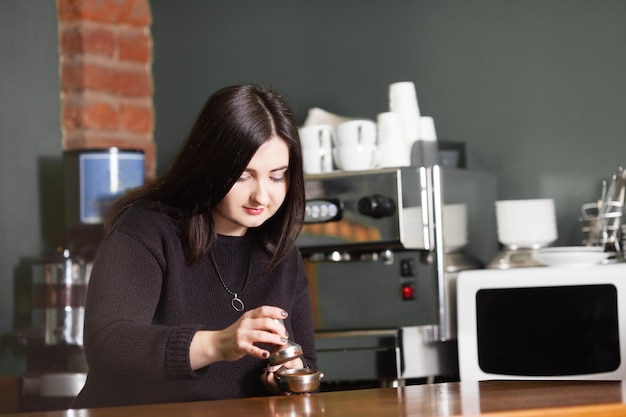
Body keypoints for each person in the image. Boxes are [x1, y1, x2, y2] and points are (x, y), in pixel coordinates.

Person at [72, 84, 316, 408]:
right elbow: (109, 346)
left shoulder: (281, 254)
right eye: (244, 176)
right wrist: (218, 344)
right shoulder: (147, 228)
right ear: (211, 167)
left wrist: (288, 375)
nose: (262, 196)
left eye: (277, 176)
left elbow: (307, 362)